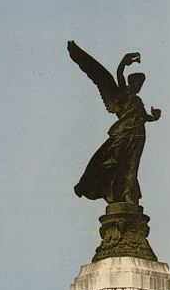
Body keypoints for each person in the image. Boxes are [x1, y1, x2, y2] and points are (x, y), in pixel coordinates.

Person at [67, 41, 161, 205]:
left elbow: (143, 117)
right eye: (137, 83)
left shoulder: (138, 101)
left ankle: (127, 193)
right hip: (123, 132)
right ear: (132, 83)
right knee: (114, 160)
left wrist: (154, 117)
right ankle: (106, 185)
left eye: (141, 85)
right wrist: (124, 62)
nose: (139, 87)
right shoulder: (122, 94)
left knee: (131, 165)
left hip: (138, 135)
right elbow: (118, 74)